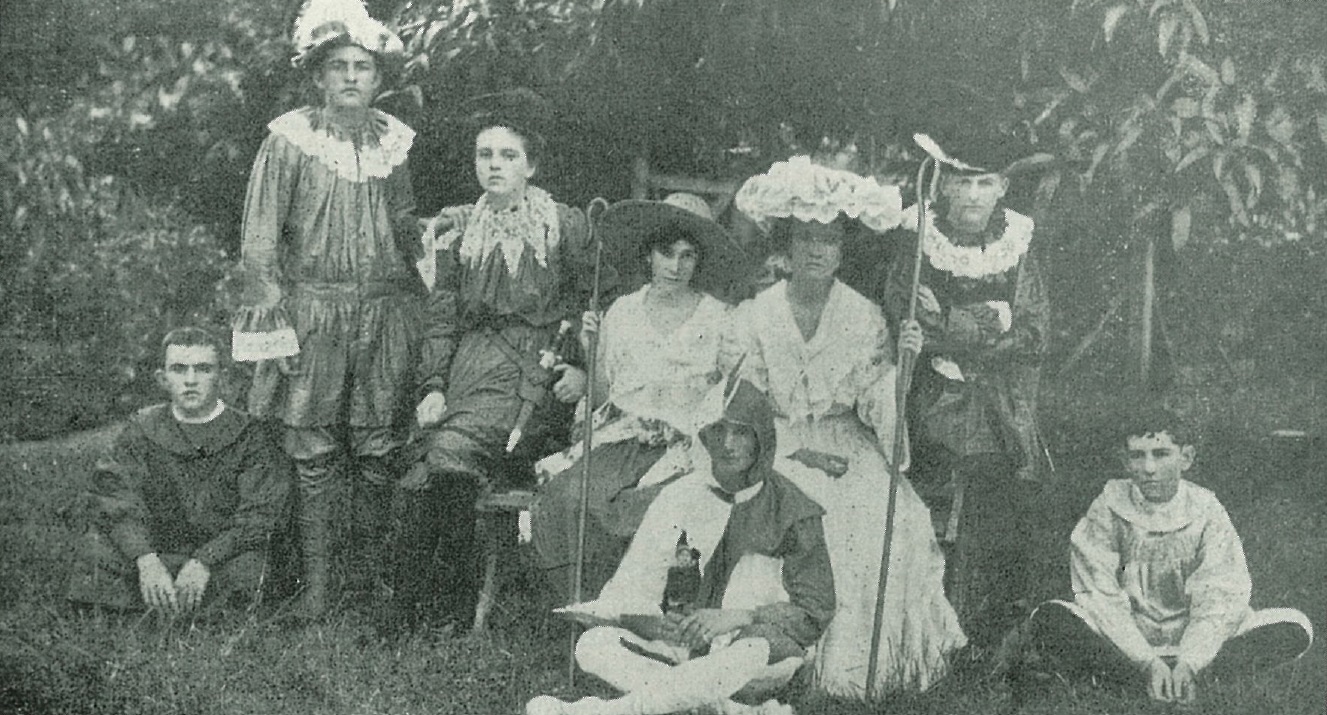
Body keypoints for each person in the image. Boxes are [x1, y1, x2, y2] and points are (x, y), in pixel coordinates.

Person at [726, 157, 966, 697]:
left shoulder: (862, 317)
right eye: (806, 238)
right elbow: (746, 401)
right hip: (778, 441)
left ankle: (851, 668)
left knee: (873, 523)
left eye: (830, 240)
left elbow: (875, 405)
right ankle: (773, 661)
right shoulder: (757, 314)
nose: (817, 250)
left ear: (842, 249)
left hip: (845, 441)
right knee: (777, 518)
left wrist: (902, 370)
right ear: (787, 246)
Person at [229, 0, 419, 617]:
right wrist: (273, 328)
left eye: (362, 66)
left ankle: (365, 589)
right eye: (337, 66)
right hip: (313, 310)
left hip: (383, 313)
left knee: (375, 449)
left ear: (379, 77)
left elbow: (407, 229)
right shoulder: (290, 139)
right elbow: (259, 243)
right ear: (318, 76)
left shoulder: (395, 142)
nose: (350, 77)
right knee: (311, 453)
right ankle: (316, 591)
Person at [396, 97, 594, 628]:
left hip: (538, 381)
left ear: (531, 166)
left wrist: (581, 370)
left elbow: (593, 303)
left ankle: (436, 606)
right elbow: (441, 318)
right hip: (469, 373)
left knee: (447, 453)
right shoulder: (459, 231)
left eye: (509, 155)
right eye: (485, 154)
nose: (495, 165)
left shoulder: (564, 227)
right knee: (431, 447)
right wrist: (432, 386)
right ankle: (431, 601)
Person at [525, 379, 835, 715]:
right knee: (593, 645)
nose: (728, 444)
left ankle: (598, 712)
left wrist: (737, 618)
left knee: (745, 656)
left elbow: (814, 610)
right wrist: (655, 624)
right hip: (683, 649)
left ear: (761, 438)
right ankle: (731, 710)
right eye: (718, 431)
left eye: (741, 433)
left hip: (755, 650)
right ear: (704, 435)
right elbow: (636, 585)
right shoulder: (681, 494)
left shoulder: (793, 510)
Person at [530, 191, 748, 602]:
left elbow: (734, 393)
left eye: (687, 256)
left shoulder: (719, 318)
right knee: (570, 499)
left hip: (686, 444)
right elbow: (602, 397)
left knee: (659, 507)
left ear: (698, 262)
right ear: (648, 255)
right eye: (666, 253)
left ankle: (643, 609)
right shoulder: (622, 312)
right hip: (622, 439)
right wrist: (590, 350)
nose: (675, 266)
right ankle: (587, 603)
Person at [879, 130, 1051, 648]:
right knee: (933, 492)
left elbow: (1033, 331)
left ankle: (991, 623)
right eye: (962, 183)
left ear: (1001, 188)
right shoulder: (919, 244)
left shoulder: (1017, 245)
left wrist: (953, 326)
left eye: (984, 183)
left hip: (1000, 396)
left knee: (1003, 500)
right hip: (936, 395)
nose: (973, 195)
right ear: (944, 189)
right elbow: (903, 317)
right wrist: (972, 326)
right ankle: (929, 620)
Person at [1022, 406, 1313, 703]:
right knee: (1050, 618)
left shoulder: (1205, 509)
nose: (1148, 468)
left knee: (1296, 626)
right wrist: (1145, 660)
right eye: (1138, 455)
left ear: (1185, 458)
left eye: (1161, 454)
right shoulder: (1108, 506)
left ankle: (1184, 674)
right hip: (1126, 635)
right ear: (1125, 461)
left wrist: (1191, 660)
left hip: (1193, 634)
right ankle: (1147, 675)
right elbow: (1099, 591)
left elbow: (1220, 592)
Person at [67, 327, 290, 614]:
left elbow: (262, 513)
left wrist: (205, 560)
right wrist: (145, 559)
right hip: (156, 551)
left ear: (222, 377)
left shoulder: (249, 433)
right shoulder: (142, 428)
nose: (190, 380)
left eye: (203, 369)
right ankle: (173, 597)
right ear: (163, 379)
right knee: (94, 550)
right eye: (179, 369)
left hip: (222, 555)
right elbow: (114, 495)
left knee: (252, 570)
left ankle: (158, 603)